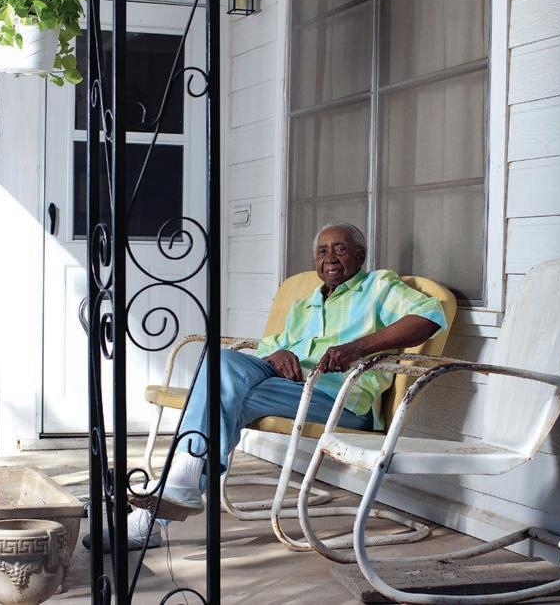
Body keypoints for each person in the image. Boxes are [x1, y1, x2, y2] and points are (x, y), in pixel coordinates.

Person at [85, 221, 447, 551]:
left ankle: (163, 500)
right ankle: (169, 497)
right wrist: (278, 355)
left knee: (223, 394)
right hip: (289, 388)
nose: (330, 258)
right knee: (221, 370)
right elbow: (266, 350)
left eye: (340, 249)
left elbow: (430, 316)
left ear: (360, 255)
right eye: (322, 251)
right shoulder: (305, 305)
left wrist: (357, 348)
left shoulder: (378, 287)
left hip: (339, 397)